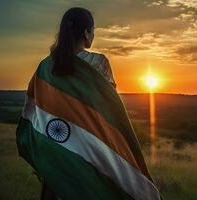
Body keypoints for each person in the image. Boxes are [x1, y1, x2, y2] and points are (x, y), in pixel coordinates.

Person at [16, 7, 162, 200]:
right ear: (86, 33)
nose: (93, 35)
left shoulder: (45, 66)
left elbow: (35, 111)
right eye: (93, 31)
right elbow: (111, 112)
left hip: (56, 152)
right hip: (89, 151)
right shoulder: (98, 62)